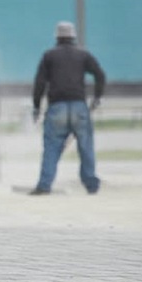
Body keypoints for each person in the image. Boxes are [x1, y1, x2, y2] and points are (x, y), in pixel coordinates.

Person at [30, 21, 106, 195]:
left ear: (57, 37)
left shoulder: (49, 56)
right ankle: (91, 186)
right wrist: (97, 98)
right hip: (79, 107)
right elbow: (100, 75)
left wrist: (36, 107)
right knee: (86, 147)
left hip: (57, 107)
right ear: (73, 37)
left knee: (52, 147)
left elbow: (39, 83)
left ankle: (44, 185)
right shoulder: (83, 55)